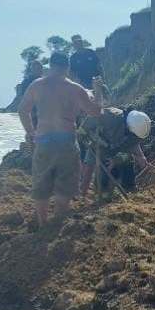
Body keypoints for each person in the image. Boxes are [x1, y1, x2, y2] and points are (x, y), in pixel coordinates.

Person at [18, 52, 101, 225]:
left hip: (43, 140)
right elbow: (95, 112)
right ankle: (57, 223)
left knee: (42, 184)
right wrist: (98, 90)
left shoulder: (37, 85)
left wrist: (31, 132)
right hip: (66, 140)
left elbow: (23, 110)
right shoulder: (74, 88)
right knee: (64, 186)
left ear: (50, 66)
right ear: (67, 68)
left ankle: (43, 224)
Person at [79, 108, 151, 196]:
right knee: (90, 170)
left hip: (115, 148)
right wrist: (82, 131)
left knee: (127, 159)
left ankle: (129, 188)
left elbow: (133, 143)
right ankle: (92, 194)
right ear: (129, 126)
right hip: (99, 145)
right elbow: (94, 114)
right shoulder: (111, 116)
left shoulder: (133, 131)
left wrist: (141, 156)